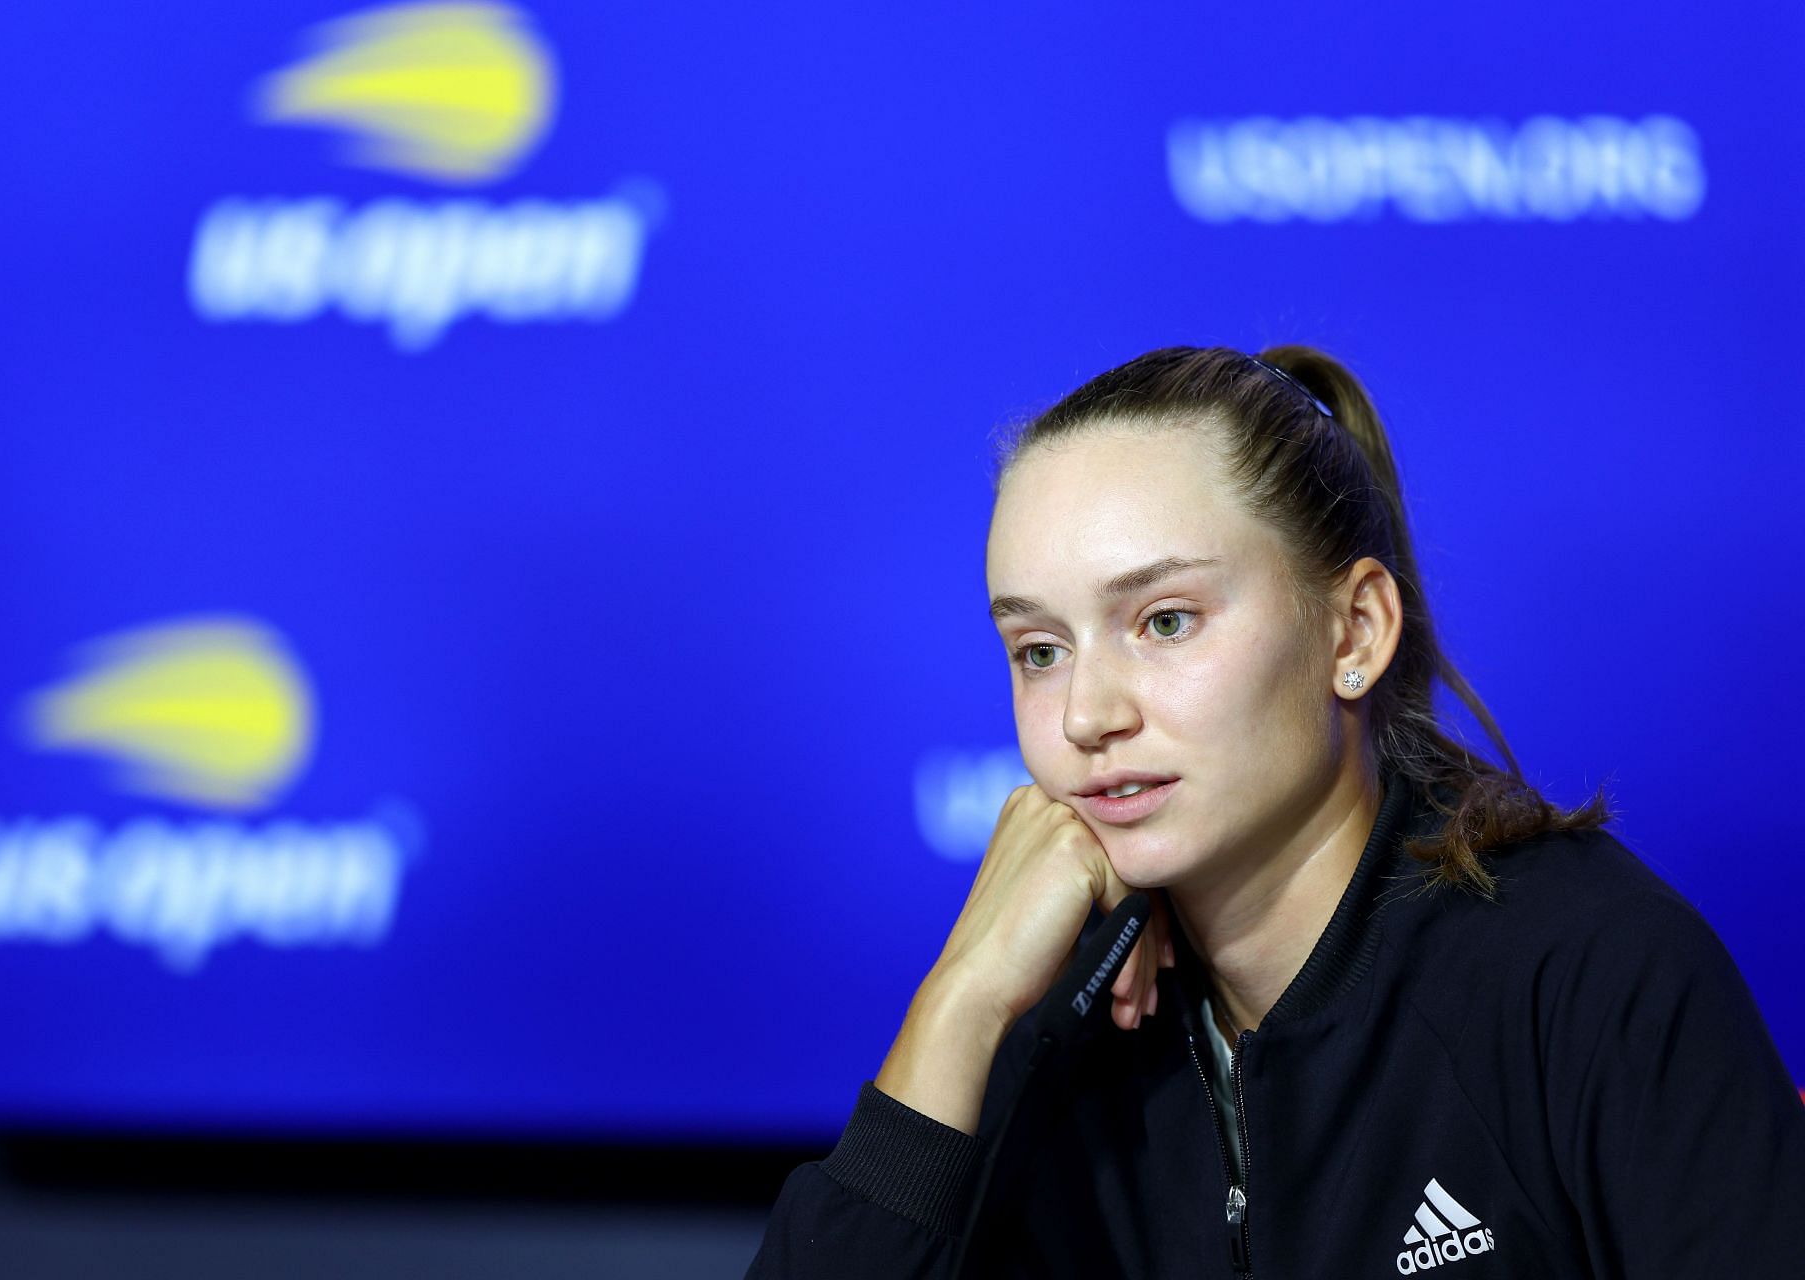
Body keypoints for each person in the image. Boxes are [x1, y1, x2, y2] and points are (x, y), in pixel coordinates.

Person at [742, 344, 1805, 1279]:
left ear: (1354, 630)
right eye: (1039, 649)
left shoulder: (1592, 975)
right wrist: (964, 998)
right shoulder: (1055, 1026)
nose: (1085, 714)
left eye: (1163, 620)